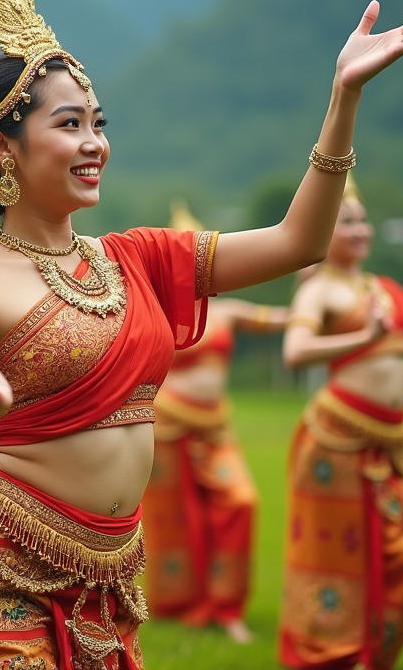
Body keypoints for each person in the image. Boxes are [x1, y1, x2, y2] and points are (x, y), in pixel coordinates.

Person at [0, 0, 403, 670]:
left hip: (107, 583)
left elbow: (299, 241)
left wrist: (343, 99)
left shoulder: (138, 259)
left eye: (98, 122)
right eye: (70, 124)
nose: (95, 144)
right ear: (3, 147)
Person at [277, 178, 403, 670]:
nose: (360, 229)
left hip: (388, 448)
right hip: (335, 444)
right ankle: (326, 660)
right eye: (347, 221)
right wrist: (365, 335)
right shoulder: (319, 289)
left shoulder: (386, 289)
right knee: (337, 570)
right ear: (325, 229)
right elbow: (296, 353)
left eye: (363, 220)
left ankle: (376, 660)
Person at [141, 201, 289, 644]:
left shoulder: (226, 309)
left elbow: (278, 319)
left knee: (239, 502)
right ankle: (177, 602)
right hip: (167, 425)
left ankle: (226, 607)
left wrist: (314, 313)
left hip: (215, 426)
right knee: (176, 517)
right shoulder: (156, 308)